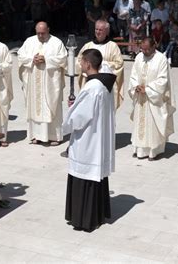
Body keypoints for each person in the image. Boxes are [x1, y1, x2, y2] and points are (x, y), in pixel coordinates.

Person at [63, 49, 116, 232]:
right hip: (98, 138)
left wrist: (69, 114)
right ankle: (97, 214)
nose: (79, 64)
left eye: (81, 61)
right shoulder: (105, 83)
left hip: (88, 140)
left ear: (87, 64)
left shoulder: (92, 88)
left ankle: (83, 219)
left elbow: (78, 118)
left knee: (84, 174)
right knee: (95, 176)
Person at [18, 22, 67, 145]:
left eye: (43, 33)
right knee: (35, 107)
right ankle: (36, 135)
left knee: (51, 106)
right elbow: (20, 56)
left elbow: (63, 59)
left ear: (48, 30)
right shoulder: (29, 41)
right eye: (38, 33)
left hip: (50, 83)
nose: (40, 36)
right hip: (33, 82)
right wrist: (31, 59)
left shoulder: (56, 43)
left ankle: (54, 137)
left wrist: (47, 59)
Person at [129, 37, 176, 161]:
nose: (144, 52)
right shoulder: (139, 57)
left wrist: (148, 89)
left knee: (153, 125)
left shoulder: (161, 59)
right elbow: (133, 74)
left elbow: (163, 80)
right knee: (140, 125)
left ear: (154, 46)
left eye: (147, 49)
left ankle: (154, 151)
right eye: (142, 49)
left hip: (154, 99)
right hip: (140, 98)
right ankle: (139, 150)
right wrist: (136, 86)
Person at [77, 20, 124, 111]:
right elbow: (79, 61)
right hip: (89, 83)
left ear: (107, 31)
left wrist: (101, 65)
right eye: (96, 29)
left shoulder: (113, 46)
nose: (98, 32)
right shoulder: (88, 46)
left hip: (105, 86)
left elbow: (119, 64)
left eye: (101, 30)